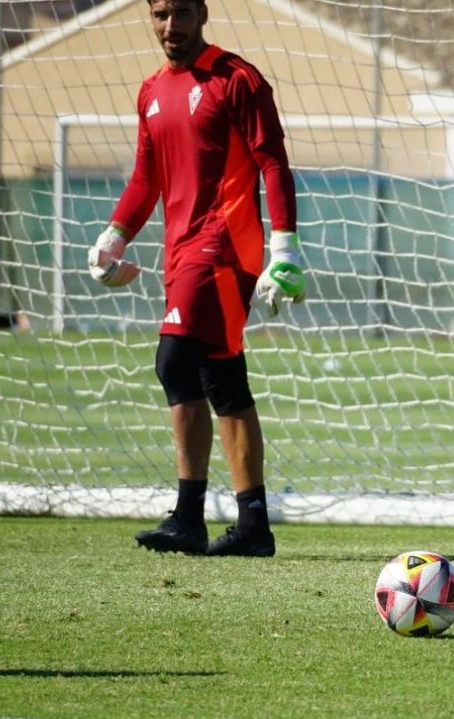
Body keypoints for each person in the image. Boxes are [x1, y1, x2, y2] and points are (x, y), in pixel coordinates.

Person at [89, 0, 306, 557]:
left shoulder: (237, 79)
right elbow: (146, 177)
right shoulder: (151, 91)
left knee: (173, 360)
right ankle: (253, 525)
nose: (171, 25)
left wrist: (286, 248)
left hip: (226, 248)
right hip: (180, 251)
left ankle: (188, 516)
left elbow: (273, 162)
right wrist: (113, 237)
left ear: (202, 13)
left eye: (182, 11)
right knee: (221, 379)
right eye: (160, 12)